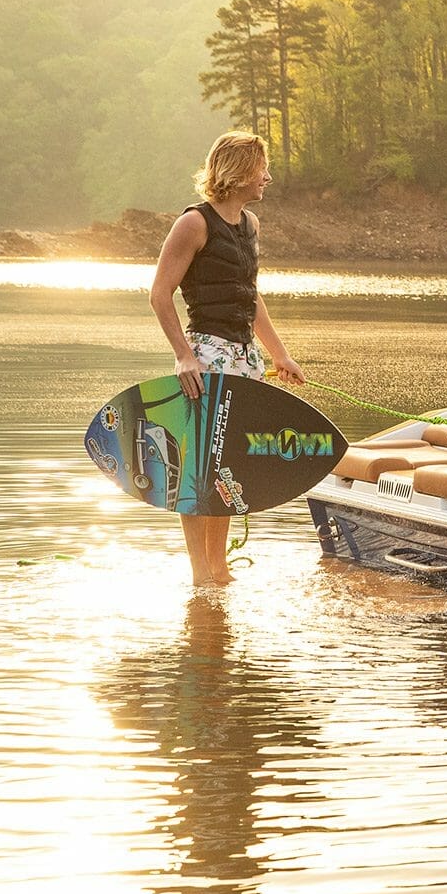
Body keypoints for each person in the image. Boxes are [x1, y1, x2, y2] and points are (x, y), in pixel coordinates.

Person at [149, 132, 305, 585]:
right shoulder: (193, 225)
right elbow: (160, 295)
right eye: (262, 168)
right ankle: (201, 571)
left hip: (244, 358)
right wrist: (183, 356)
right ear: (238, 171)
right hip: (206, 356)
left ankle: (218, 568)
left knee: (229, 469)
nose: (268, 177)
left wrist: (280, 355)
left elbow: (248, 296)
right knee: (200, 467)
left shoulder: (250, 225)